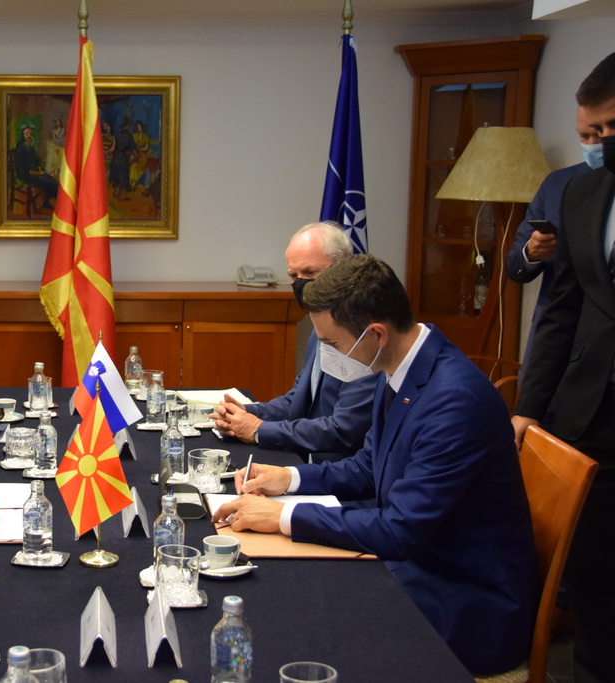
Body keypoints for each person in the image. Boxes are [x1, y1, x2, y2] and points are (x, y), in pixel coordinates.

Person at [213, 254, 537, 676]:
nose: (327, 356)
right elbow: (367, 466)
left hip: (466, 599)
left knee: (302, 616)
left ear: (377, 334)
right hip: (420, 564)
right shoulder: (403, 367)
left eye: (332, 344)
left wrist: (282, 517)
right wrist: (288, 478)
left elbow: (401, 529)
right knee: (295, 594)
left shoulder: (454, 401)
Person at [512, 51, 615, 683]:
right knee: (594, 578)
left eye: (609, 129)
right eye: (592, 132)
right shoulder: (580, 191)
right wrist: (527, 407)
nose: (599, 143)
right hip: (589, 411)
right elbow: (559, 312)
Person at [213, 222, 376, 463]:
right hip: (307, 458)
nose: (301, 284)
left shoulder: (363, 337)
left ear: (342, 270)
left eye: (310, 273)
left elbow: (344, 429)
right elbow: (299, 401)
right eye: (293, 276)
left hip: (340, 469)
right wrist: (245, 412)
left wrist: (258, 429)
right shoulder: (318, 329)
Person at [504, 106, 601, 380]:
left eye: (598, 135)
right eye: (583, 136)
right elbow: (514, 265)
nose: (592, 144)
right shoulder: (557, 184)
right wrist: (532, 253)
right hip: (553, 343)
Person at [13, 124, 58, 210]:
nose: (29, 135)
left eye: (30, 133)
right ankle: (51, 202)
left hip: (34, 173)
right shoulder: (20, 149)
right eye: (26, 134)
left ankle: (48, 202)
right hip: (26, 176)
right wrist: (38, 173)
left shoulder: (31, 148)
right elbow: (24, 170)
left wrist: (41, 171)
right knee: (49, 183)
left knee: (51, 180)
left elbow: (36, 162)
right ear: (23, 135)